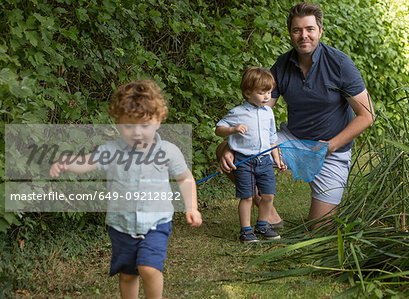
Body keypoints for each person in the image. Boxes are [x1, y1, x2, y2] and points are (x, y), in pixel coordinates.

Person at [217, 2, 374, 230]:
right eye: (297, 30)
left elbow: (367, 115)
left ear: (320, 30)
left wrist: (330, 146)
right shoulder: (282, 64)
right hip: (292, 142)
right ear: (290, 33)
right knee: (226, 151)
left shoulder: (340, 64)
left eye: (310, 29)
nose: (304, 36)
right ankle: (268, 213)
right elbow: (261, 111)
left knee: (318, 229)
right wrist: (234, 144)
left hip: (330, 152)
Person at [50, 80, 202, 299]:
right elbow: (86, 162)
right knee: (128, 274)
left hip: (156, 222)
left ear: (158, 121)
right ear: (118, 123)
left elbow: (185, 178)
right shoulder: (111, 150)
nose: (137, 132)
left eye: (144, 125)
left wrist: (192, 207)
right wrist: (66, 162)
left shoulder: (168, 151)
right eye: (128, 126)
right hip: (120, 224)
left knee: (148, 268)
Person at [215, 67, 286, 243]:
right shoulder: (237, 112)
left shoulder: (268, 112)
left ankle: (262, 225)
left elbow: (272, 139)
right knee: (247, 196)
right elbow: (218, 129)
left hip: (265, 161)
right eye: (262, 93)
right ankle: (246, 230)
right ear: (248, 93)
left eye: (269, 92)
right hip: (244, 161)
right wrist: (233, 129)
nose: (267, 97)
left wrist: (277, 160)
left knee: (268, 195)